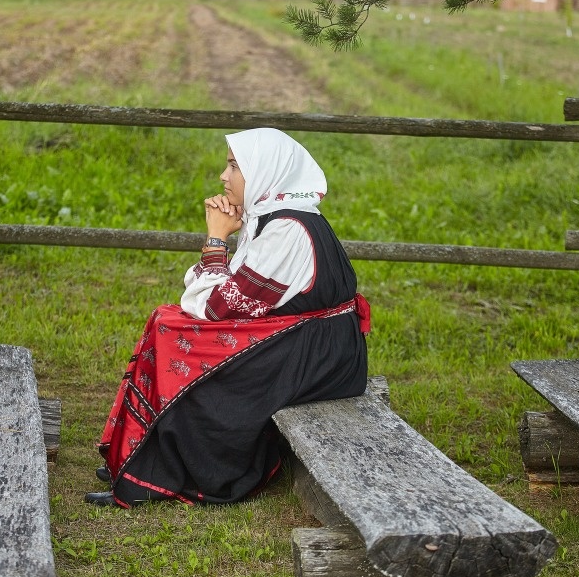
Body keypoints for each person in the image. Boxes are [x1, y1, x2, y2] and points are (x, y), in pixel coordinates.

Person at [85, 127, 370, 509]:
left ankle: (165, 471)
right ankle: (143, 453)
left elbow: (214, 309)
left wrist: (217, 238)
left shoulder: (287, 229)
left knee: (178, 339)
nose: (224, 176)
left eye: (234, 166)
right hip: (301, 340)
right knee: (167, 321)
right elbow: (217, 297)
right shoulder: (274, 217)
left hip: (316, 356)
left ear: (264, 172)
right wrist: (219, 245)